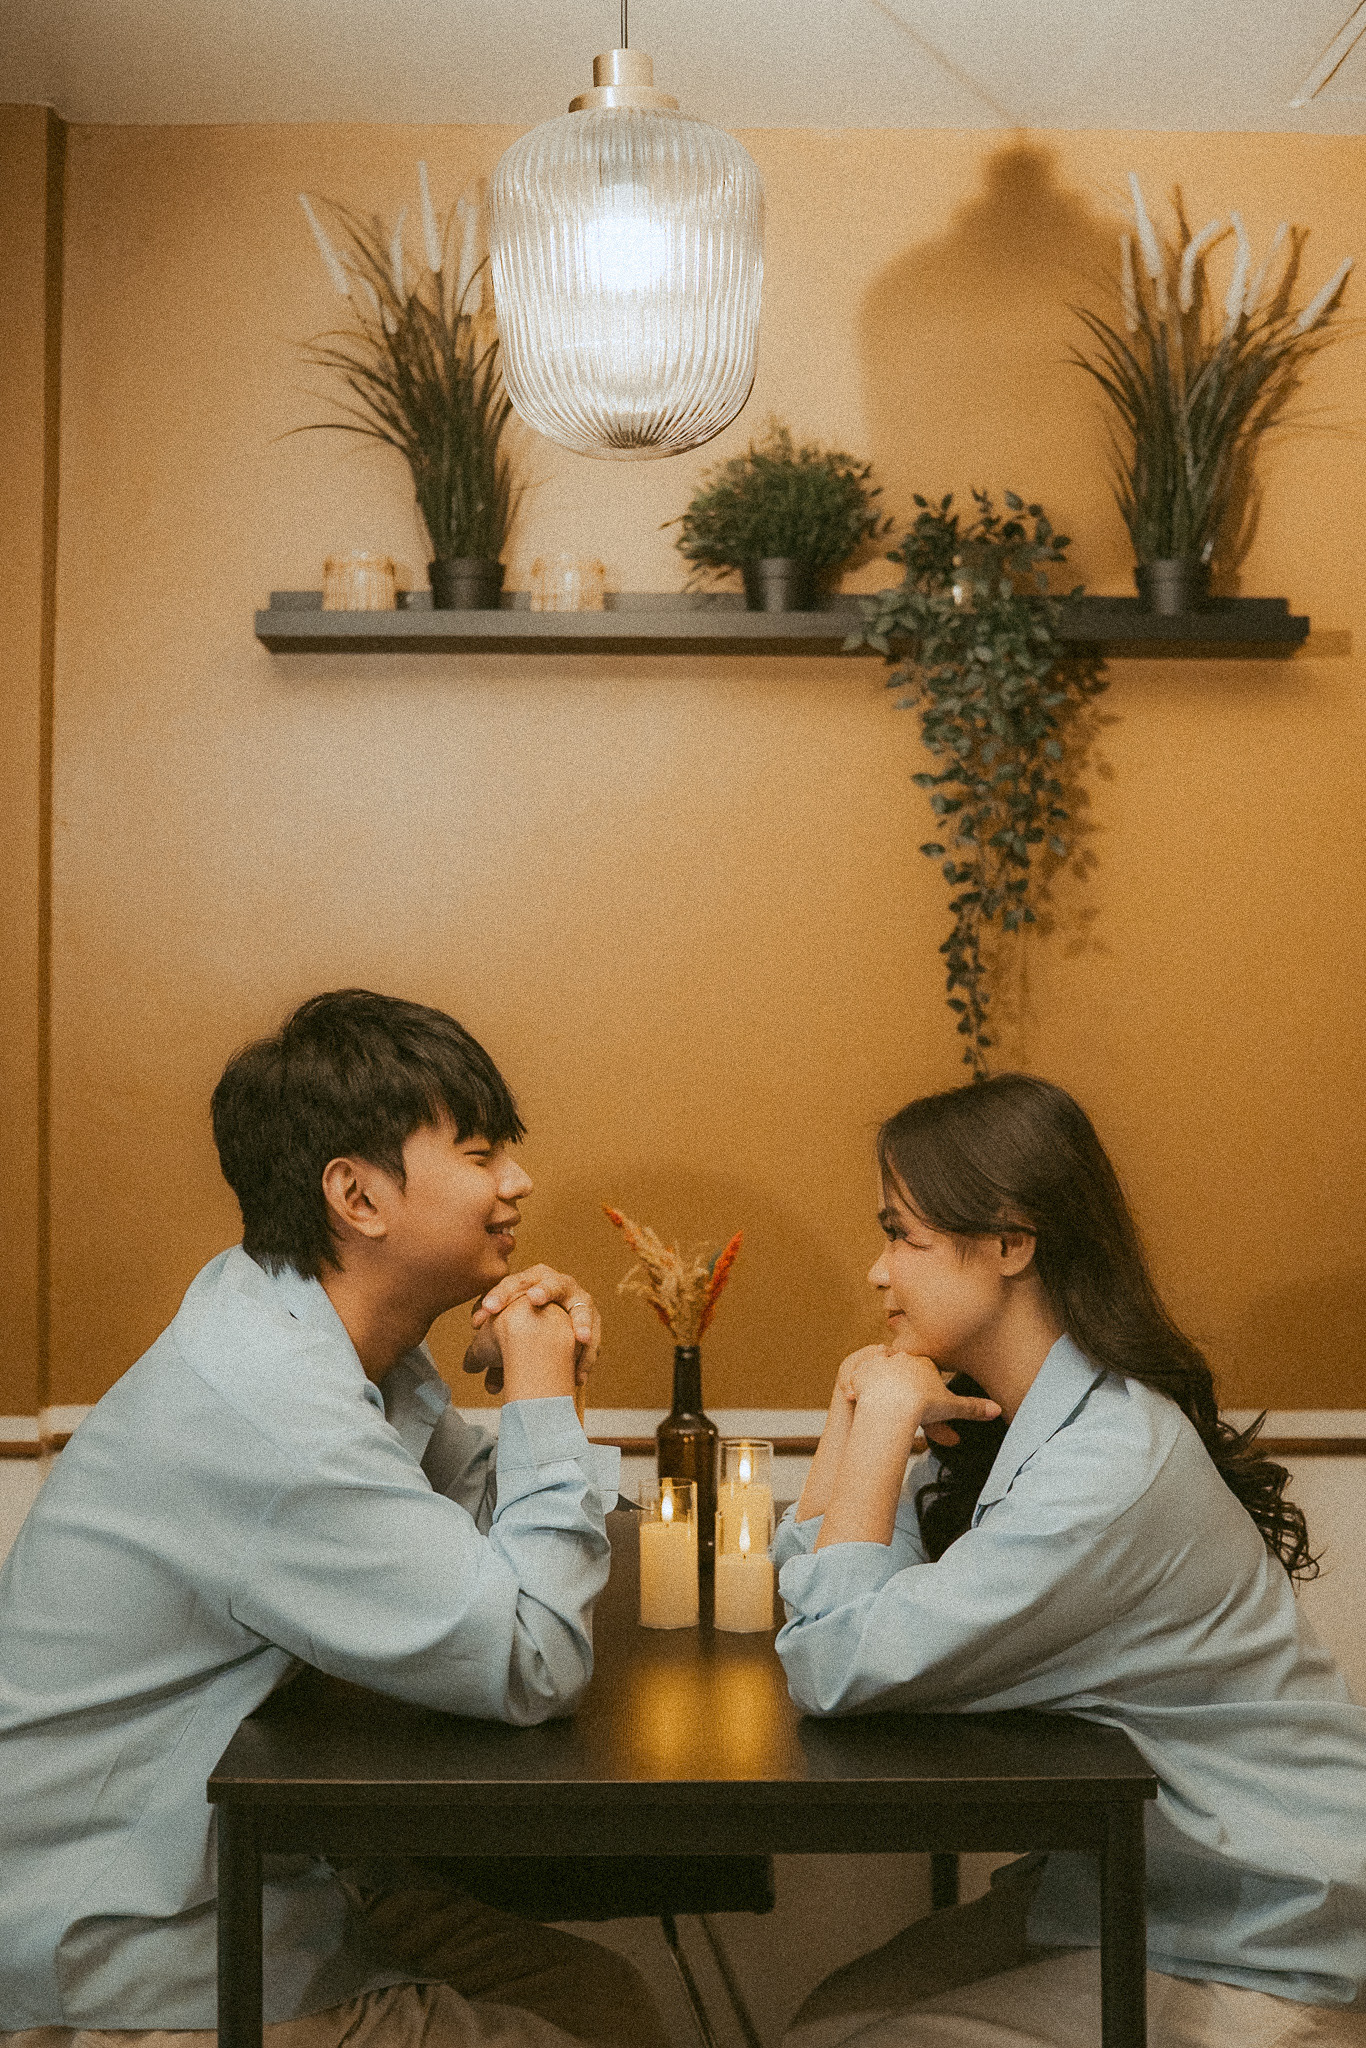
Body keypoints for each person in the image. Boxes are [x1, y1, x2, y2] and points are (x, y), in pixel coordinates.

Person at [0, 989, 668, 2048]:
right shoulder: (275, 1406)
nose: (518, 1181)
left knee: (605, 2002)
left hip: (259, 1875)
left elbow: (473, 1547)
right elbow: (534, 1655)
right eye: (482, 1152)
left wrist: (544, 1390)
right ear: (356, 1195)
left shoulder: (304, 1330)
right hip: (134, 1947)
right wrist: (541, 1397)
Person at [775, 1073, 1366, 2048]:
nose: (878, 1272)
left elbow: (833, 1659)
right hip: (1141, 1888)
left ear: (1011, 1242)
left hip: (1268, 1929)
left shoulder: (1105, 1466)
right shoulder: (1044, 1421)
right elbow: (823, 1590)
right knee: (825, 2020)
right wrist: (856, 1416)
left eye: (901, 1236)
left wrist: (880, 1422)